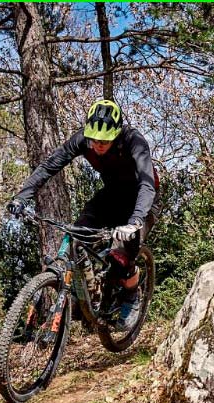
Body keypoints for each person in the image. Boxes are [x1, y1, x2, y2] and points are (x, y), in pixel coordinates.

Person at [8, 99, 160, 331]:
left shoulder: (133, 141)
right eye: (94, 139)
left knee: (121, 253)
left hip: (142, 201)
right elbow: (50, 165)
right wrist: (22, 197)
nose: (98, 145)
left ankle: (132, 294)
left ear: (116, 134)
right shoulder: (82, 139)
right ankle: (88, 293)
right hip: (111, 196)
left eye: (104, 140)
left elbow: (147, 185)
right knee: (76, 234)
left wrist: (135, 221)